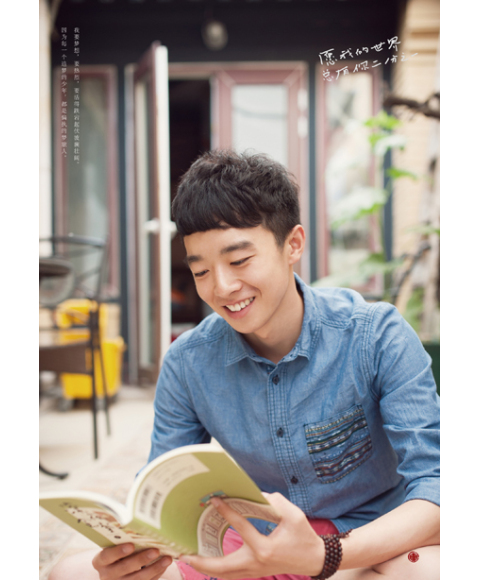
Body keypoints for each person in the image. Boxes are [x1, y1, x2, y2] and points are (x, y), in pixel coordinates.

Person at [49, 150, 439, 580]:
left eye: (239, 261)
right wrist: (137, 556)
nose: (222, 287)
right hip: (258, 545)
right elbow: (162, 494)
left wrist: (323, 555)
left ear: (293, 244)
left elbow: (438, 487)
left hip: (363, 544)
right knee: (70, 573)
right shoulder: (188, 362)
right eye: (201, 271)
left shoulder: (375, 335)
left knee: (431, 571)